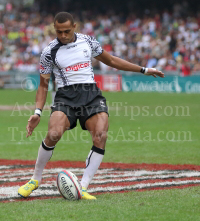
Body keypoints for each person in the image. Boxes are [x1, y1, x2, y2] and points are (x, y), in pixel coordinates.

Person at [18, 12, 164, 200]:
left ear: (75, 27)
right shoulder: (48, 52)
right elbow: (44, 85)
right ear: (55, 29)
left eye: (67, 31)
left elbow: (111, 60)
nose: (62, 35)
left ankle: (83, 187)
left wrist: (143, 70)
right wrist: (37, 112)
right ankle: (35, 179)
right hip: (65, 97)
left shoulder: (88, 41)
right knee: (53, 133)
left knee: (100, 135)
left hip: (91, 95)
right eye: (59, 31)